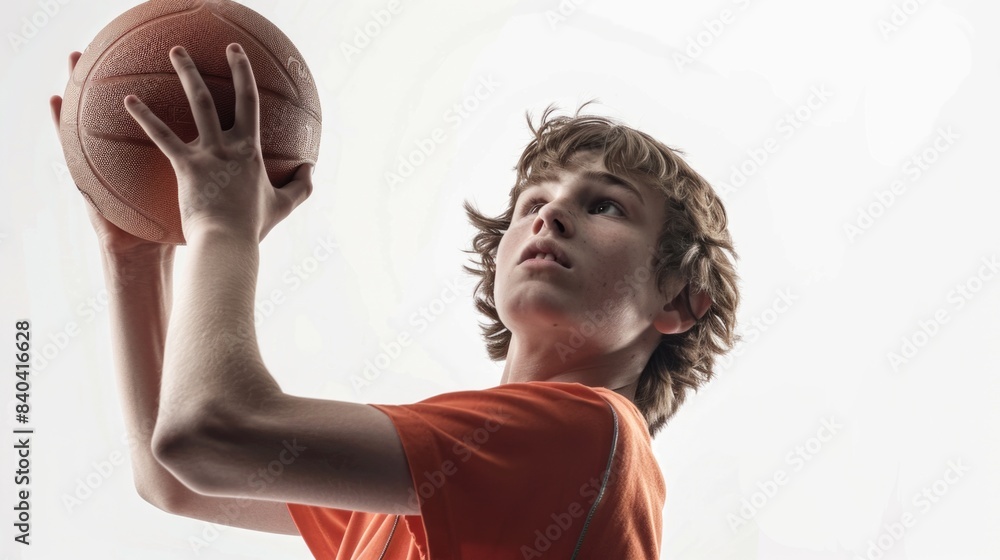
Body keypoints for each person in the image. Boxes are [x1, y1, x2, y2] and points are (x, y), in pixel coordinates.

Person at [50, 43, 739, 559]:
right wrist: (134, 256)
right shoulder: (436, 474)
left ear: (680, 300)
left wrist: (223, 225)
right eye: (533, 201)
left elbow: (204, 434)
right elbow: (177, 480)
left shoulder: (591, 434)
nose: (549, 215)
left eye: (604, 207)